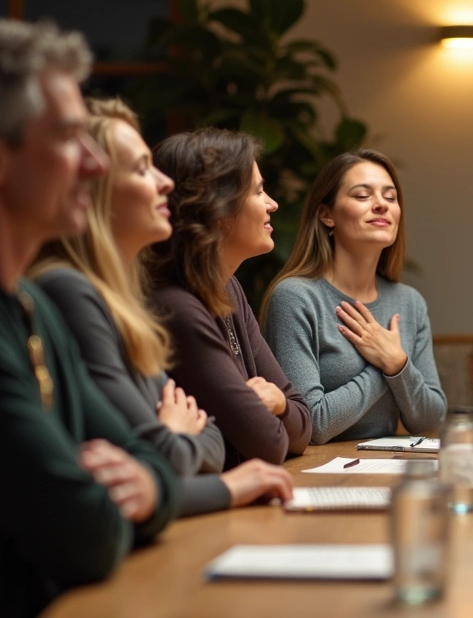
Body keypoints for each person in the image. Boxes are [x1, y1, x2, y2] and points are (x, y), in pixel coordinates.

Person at [32, 98, 294, 516]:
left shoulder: (125, 302)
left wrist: (176, 443)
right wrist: (185, 448)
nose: (165, 184)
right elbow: (150, 463)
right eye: (141, 169)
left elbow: (207, 436)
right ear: (94, 190)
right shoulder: (77, 292)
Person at [0, 20, 178, 617]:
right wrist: (139, 494)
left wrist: (149, 485)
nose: (95, 164)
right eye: (71, 137)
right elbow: (86, 537)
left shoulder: (33, 306)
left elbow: (158, 469)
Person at [145, 128, 311, 468]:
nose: (272, 204)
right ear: (218, 211)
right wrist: (278, 412)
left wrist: (279, 403)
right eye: (258, 191)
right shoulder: (175, 306)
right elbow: (269, 443)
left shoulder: (228, 285)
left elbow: (302, 425)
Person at [263, 149, 446, 443]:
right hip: (317, 476)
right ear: (326, 214)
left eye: (390, 197)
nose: (381, 206)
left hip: (386, 469)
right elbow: (312, 424)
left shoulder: (409, 302)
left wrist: (398, 365)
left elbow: (430, 421)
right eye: (363, 196)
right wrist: (383, 366)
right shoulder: (296, 297)